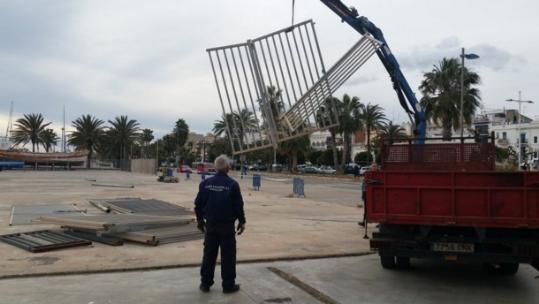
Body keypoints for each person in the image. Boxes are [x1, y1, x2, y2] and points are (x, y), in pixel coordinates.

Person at [194, 154, 246, 294]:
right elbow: (238, 206)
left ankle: (205, 284)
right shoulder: (233, 185)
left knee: (209, 255)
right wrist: (242, 221)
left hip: (210, 225)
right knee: (228, 256)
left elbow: (198, 204)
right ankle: (228, 285)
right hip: (227, 227)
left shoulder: (205, 183)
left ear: (215, 167)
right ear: (228, 168)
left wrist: (199, 220)